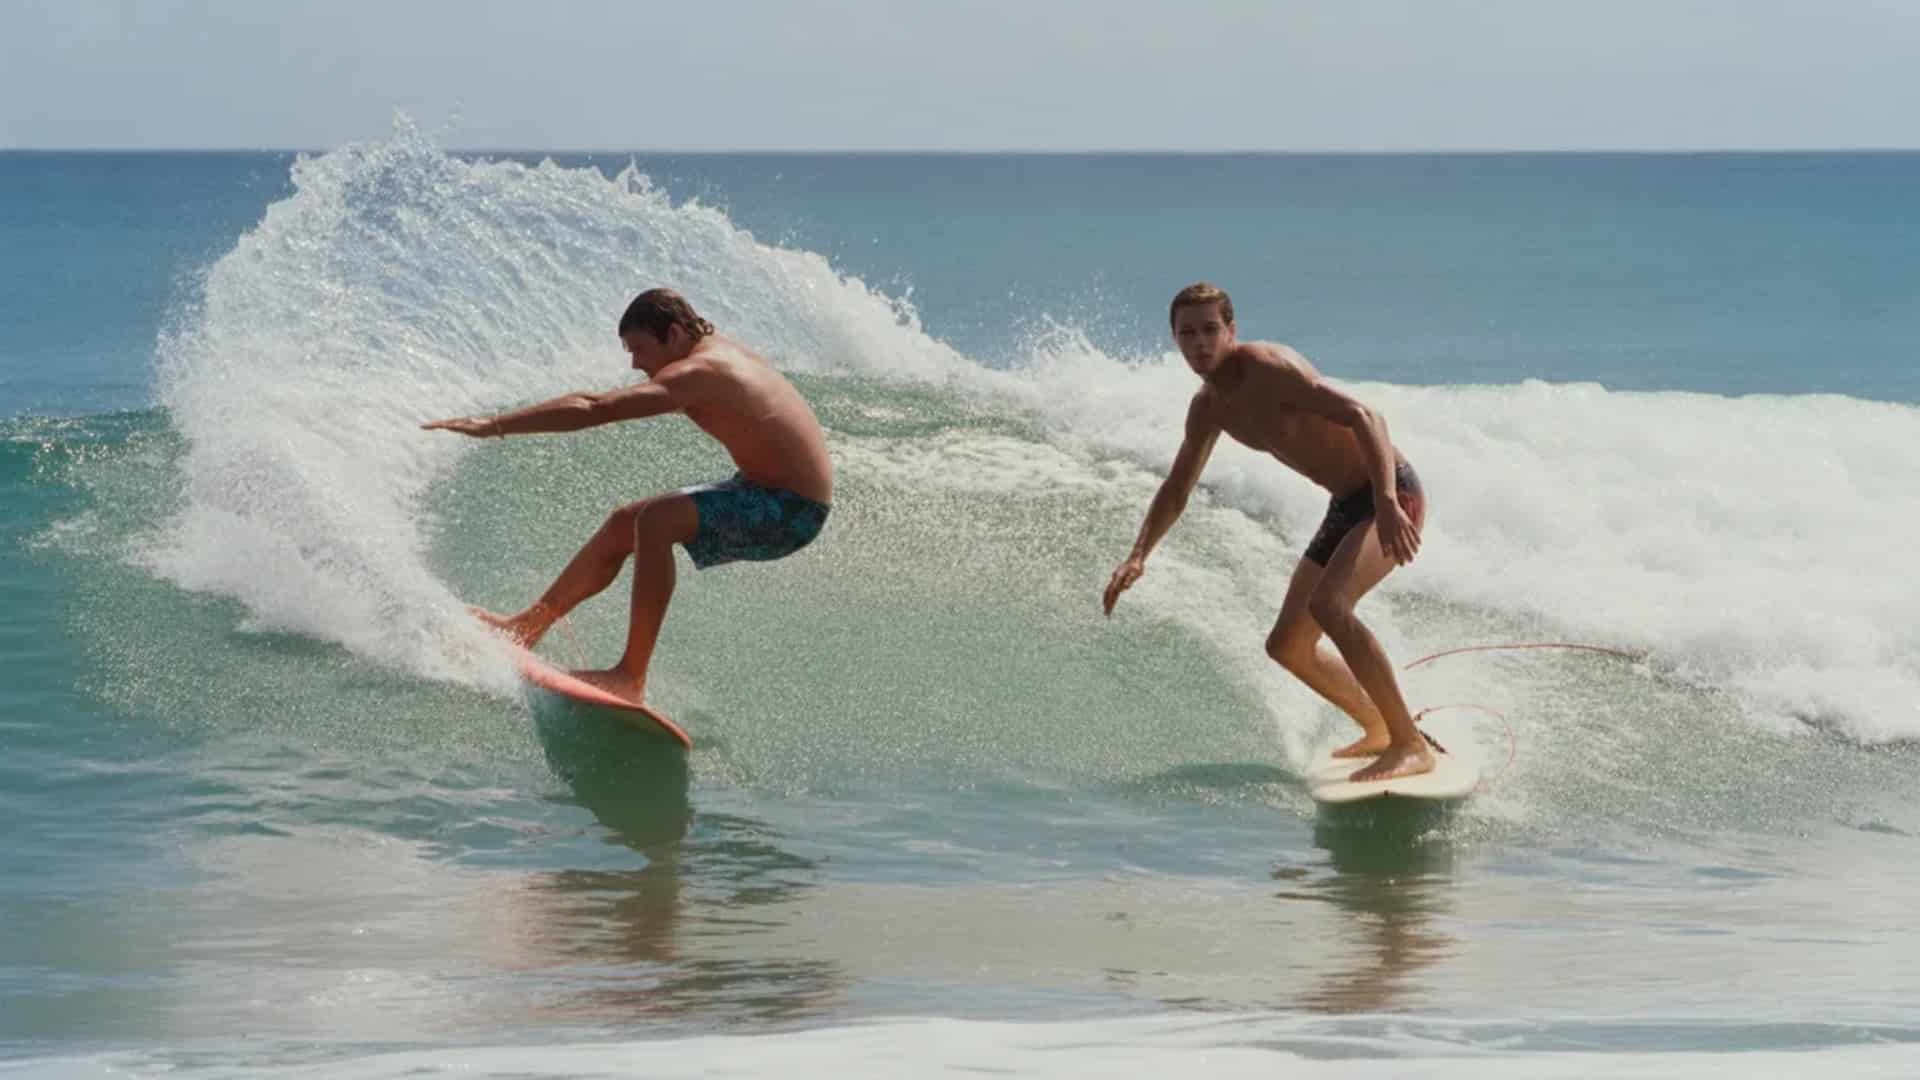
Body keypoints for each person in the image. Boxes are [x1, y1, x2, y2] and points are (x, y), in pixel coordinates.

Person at [423, 288, 833, 706]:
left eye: (639, 348)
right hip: (761, 489)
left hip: (792, 510)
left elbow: (594, 408)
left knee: (656, 522)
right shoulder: (716, 352)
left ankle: (630, 676)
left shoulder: (701, 371)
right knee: (626, 523)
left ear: (673, 334)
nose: (635, 363)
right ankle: (527, 627)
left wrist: (493, 424)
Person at [1102, 283, 1432, 782]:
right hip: (1345, 505)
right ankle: (1379, 726)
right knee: (1287, 645)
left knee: (1330, 606)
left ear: (1232, 330)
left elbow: (1366, 416)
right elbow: (1177, 487)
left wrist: (1387, 501)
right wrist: (1138, 555)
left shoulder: (1269, 368)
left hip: (1389, 492)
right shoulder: (1208, 408)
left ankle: (1411, 744)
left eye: (1210, 329)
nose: (1199, 343)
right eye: (1186, 333)